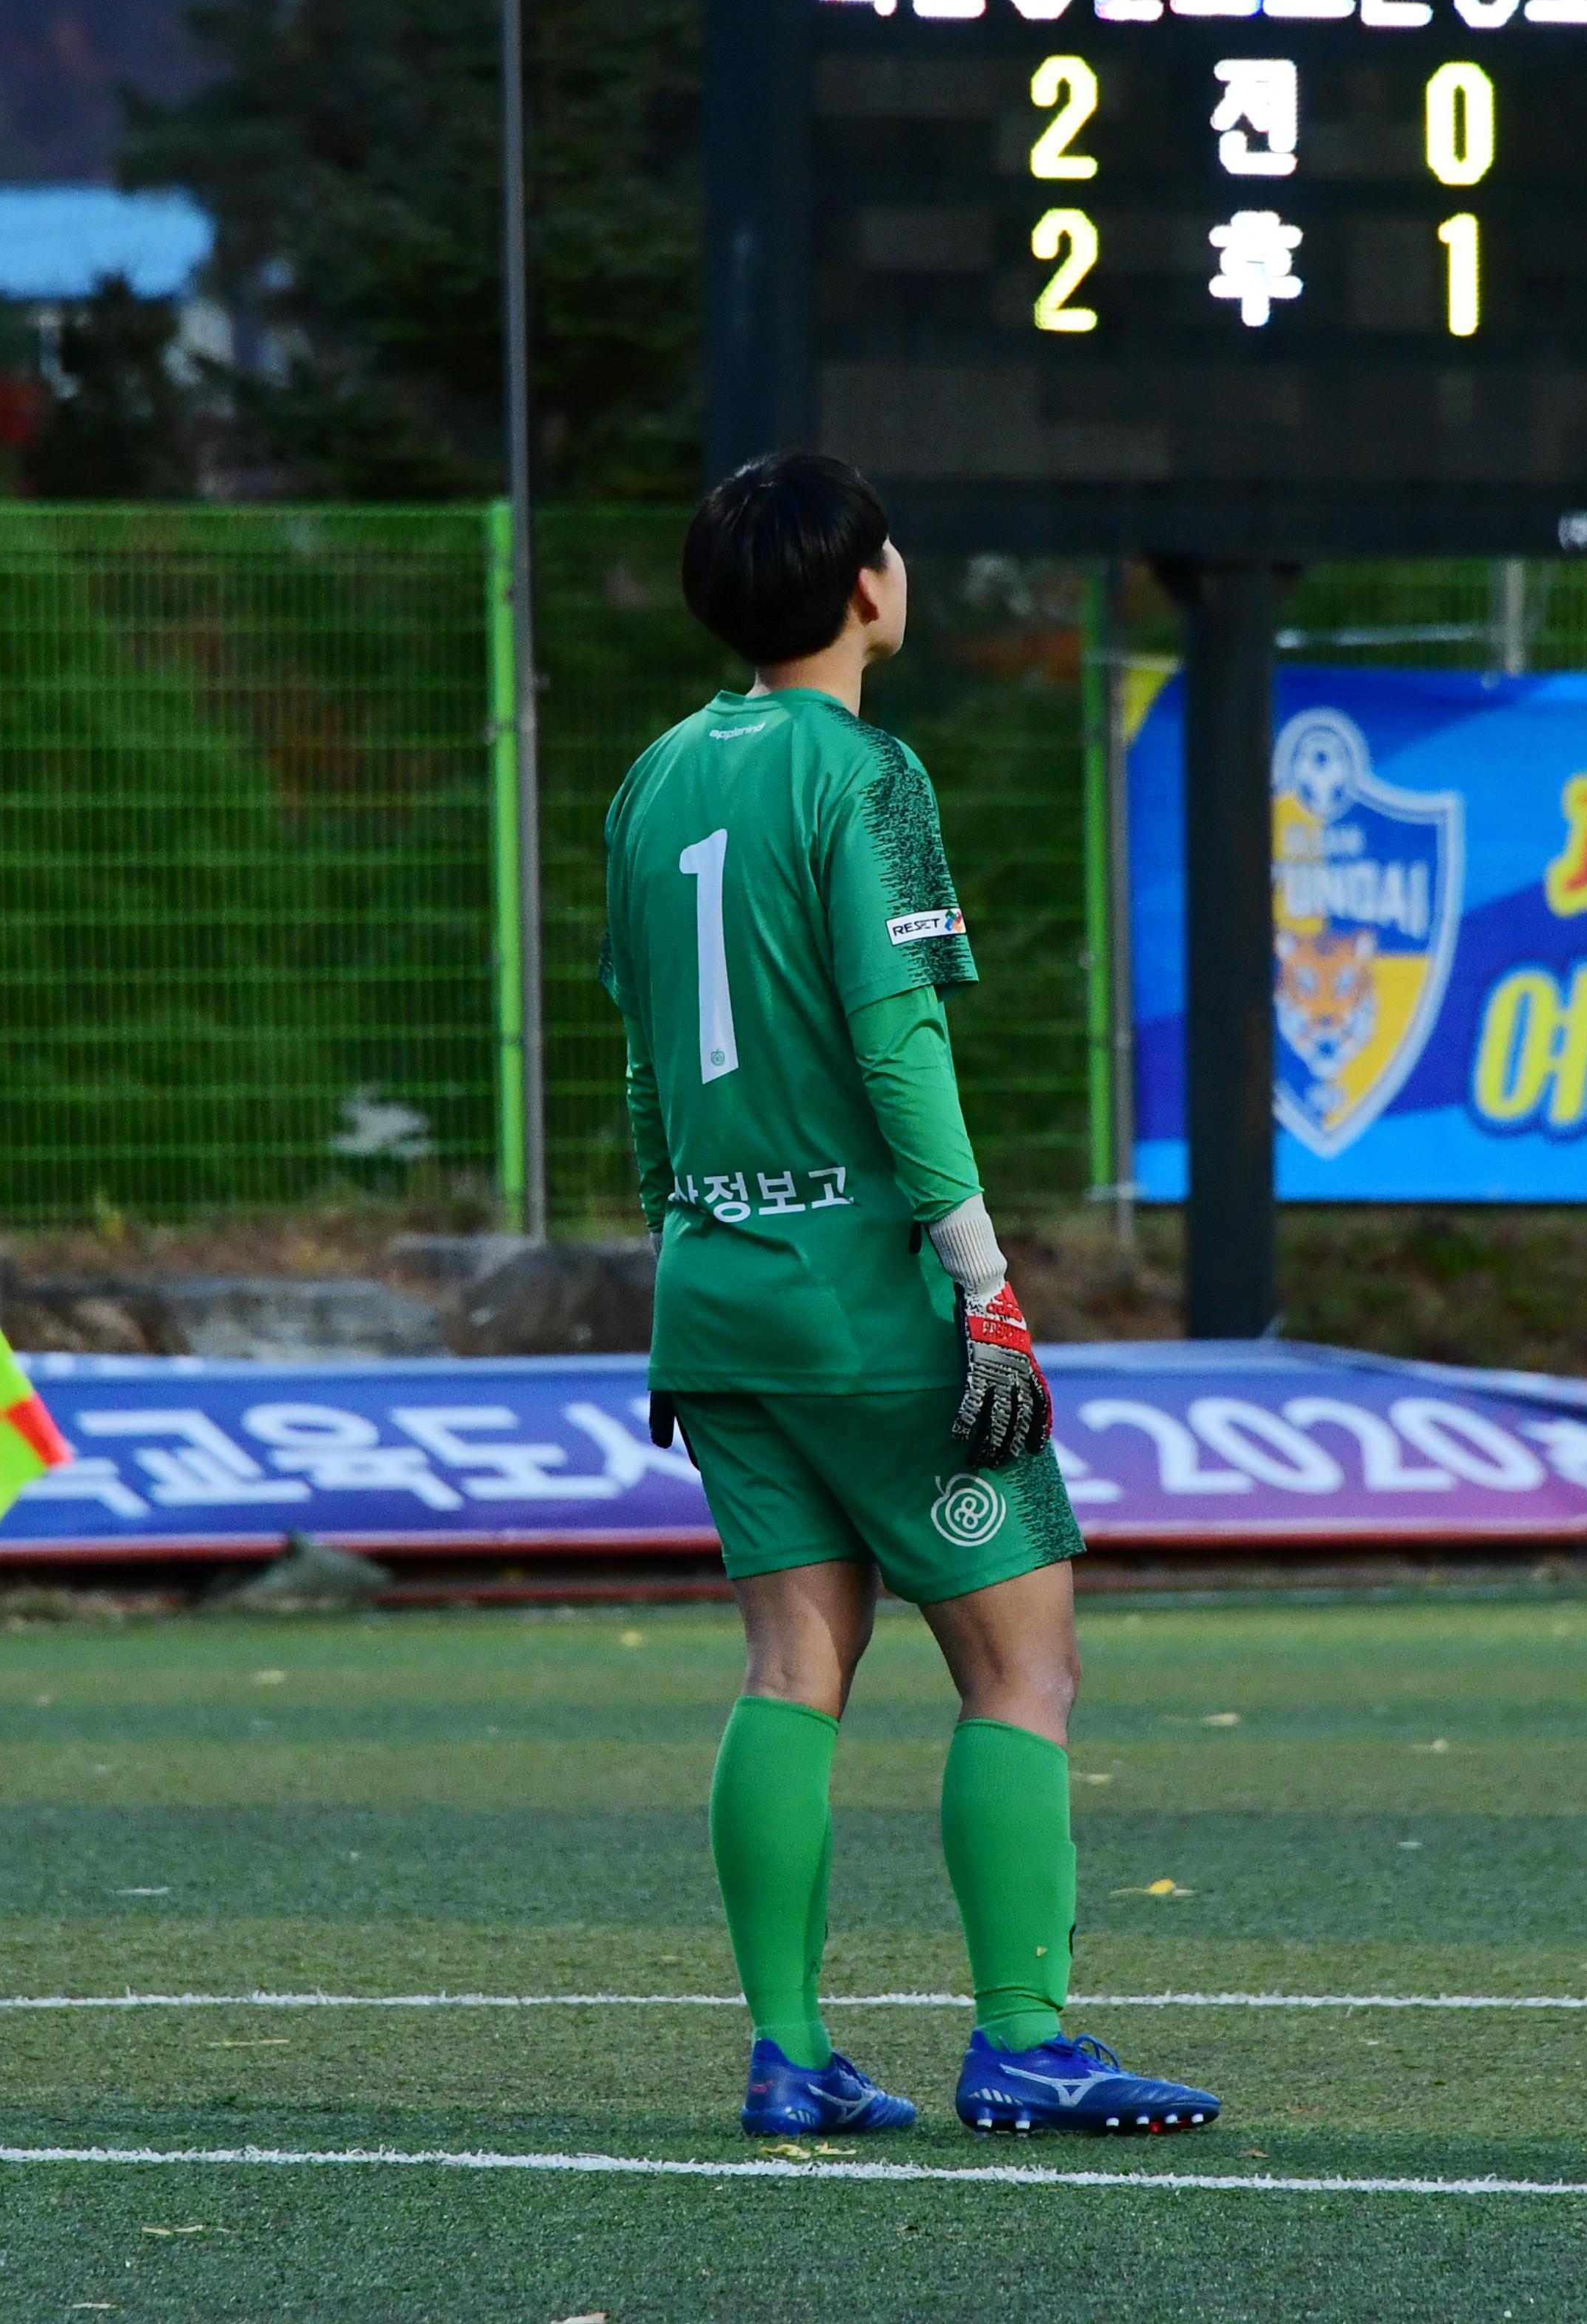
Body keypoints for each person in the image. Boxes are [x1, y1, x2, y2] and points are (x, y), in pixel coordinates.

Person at [601, 450, 1220, 2142]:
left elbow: (651, 1070)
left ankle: (788, 2052)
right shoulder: (867, 773)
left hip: (716, 1285)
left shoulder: (652, 779)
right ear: (864, 585)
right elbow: (895, 1037)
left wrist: (685, 1242)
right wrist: (986, 1283)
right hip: (868, 1293)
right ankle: (1021, 2036)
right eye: (893, 549)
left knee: (791, 1659)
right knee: (1024, 1664)